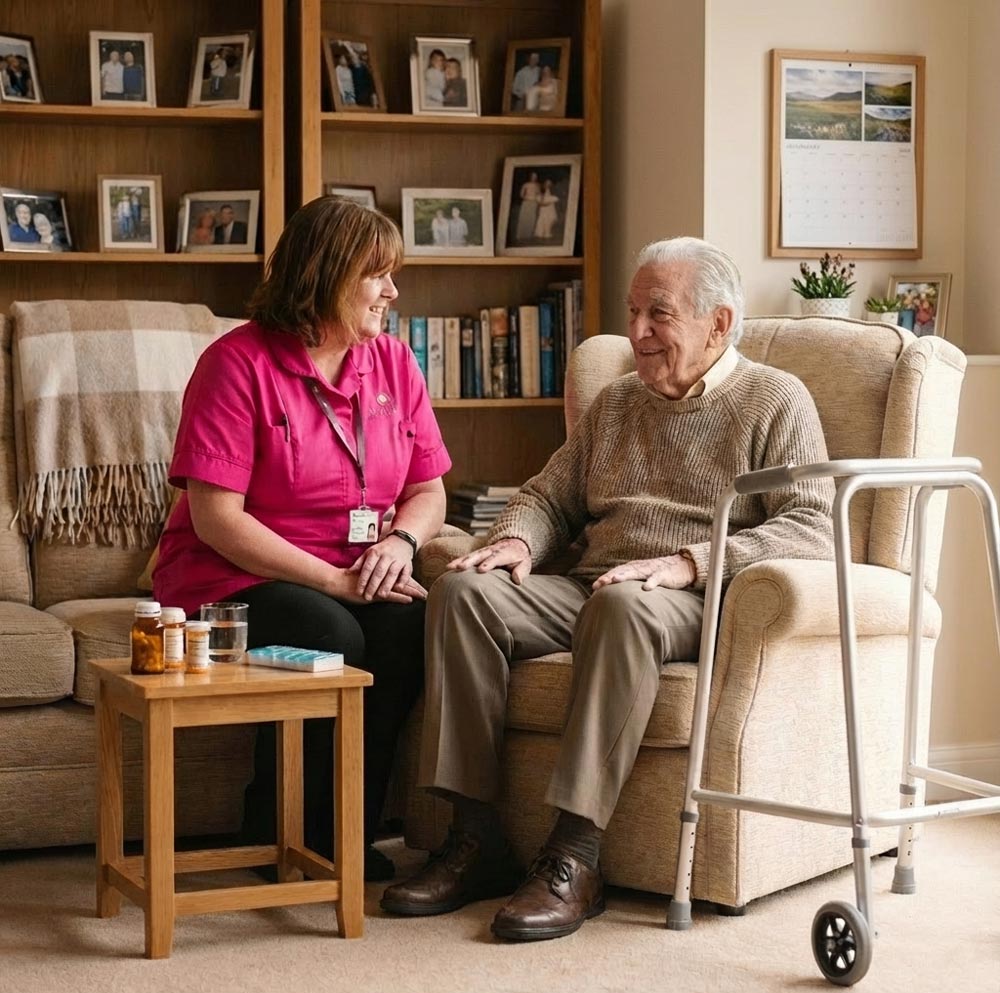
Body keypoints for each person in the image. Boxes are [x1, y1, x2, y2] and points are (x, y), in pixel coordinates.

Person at [380, 236, 834, 939]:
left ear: (718, 323)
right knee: (464, 592)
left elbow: (812, 527)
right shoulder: (618, 402)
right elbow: (548, 495)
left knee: (624, 604)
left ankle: (575, 856)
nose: (639, 333)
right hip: (593, 585)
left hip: (689, 598)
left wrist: (688, 563)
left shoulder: (777, 400)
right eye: (633, 313)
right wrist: (515, 541)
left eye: (659, 314)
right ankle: (474, 838)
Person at [153, 197, 450, 881]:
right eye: (378, 274)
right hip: (230, 574)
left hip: (358, 569)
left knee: (411, 625)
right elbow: (216, 518)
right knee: (330, 633)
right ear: (325, 274)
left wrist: (401, 544)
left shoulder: (395, 364)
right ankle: (280, 826)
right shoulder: (236, 364)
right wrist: (334, 581)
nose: (392, 292)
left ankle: (348, 832)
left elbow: (428, 489)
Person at [515, 172, 541, 242]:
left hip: (534, 203)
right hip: (526, 203)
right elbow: (521, 194)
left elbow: (539, 194)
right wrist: (526, 198)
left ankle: (529, 235)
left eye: (535, 176)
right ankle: (521, 235)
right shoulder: (525, 185)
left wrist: (537, 199)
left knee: (532, 218)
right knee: (524, 217)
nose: (534, 178)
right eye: (533, 176)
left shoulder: (537, 185)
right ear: (530, 177)